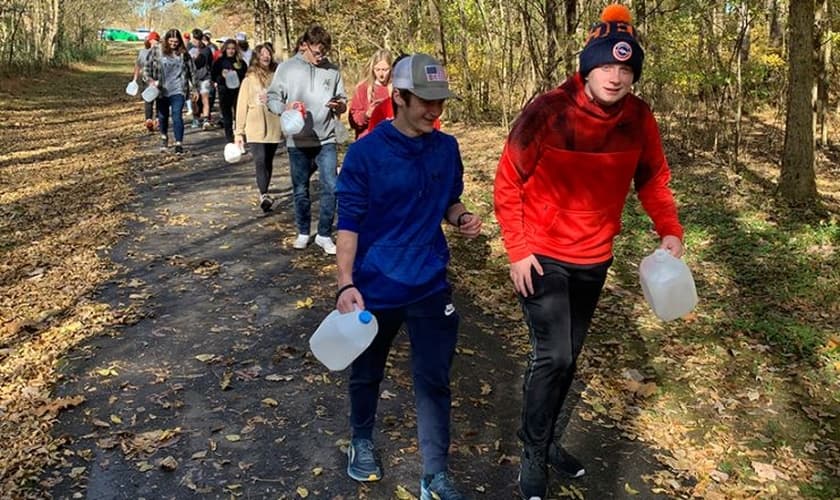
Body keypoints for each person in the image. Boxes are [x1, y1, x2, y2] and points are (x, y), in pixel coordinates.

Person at [493, 5, 686, 499]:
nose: (616, 77)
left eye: (626, 69)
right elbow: (507, 181)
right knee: (553, 356)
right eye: (607, 66)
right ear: (587, 66)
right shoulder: (548, 110)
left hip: (594, 258)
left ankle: (549, 438)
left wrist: (670, 229)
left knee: (569, 358)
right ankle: (533, 451)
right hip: (541, 254)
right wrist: (517, 250)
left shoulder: (639, 118)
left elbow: (654, 180)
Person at [335, 53, 481, 500]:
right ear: (398, 97)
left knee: (434, 378)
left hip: (430, 283)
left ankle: (434, 475)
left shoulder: (446, 148)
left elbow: (448, 201)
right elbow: (349, 224)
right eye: (425, 101)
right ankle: (361, 441)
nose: (435, 111)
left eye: (440, 102)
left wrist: (460, 218)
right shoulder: (365, 154)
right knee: (367, 371)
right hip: (375, 284)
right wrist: (345, 283)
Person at [266, 24, 347, 255]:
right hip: (298, 139)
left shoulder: (332, 71)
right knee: (300, 189)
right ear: (306, 46)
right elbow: (272, 98)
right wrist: (285, 107)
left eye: (324, 52)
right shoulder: (287, 68)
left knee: (331, 186)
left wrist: (339, 104)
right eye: (317, 52)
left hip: (326, 138)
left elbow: (342, 99)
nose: (321, 57)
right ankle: (303, 231)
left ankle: (323, 234)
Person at [234, 44, 281, 213]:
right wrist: (238, 132)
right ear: (257, 57)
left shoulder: (278, 76)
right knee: (260, 160)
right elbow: (241, 106)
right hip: (254, 126)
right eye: (262, 54)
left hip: (274, 124)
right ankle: (264, 194)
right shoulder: (249, 79)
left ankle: (265, 189)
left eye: (268, 53)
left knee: (268, 160)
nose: (266, 56)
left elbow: (286, 97)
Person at [145, 29, 198, 154]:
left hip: (179, 89)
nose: (173, 44)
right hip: (162, 89)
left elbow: (192, 71)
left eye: (176, 41)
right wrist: (150, 80)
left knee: (177, 115)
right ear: (166, 40)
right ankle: (164, 137)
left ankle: (179, 143)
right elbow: (146, 68)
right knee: (162, 116)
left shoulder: (183, 54)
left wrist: (195, 88)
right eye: (171, 41)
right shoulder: (157, 51)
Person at [348, 49, 392, 139]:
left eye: (385, 70)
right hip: (367, 141)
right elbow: (353, 121)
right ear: (372, 68)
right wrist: (367, 114)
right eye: (377, 69)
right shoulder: (362, 88)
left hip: (390, 142)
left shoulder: (396, 89)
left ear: (391, 68)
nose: (381, 74)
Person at [211, 38, 248, 143]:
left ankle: (239, 134)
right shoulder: (219, 61)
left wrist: (236, 74)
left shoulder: (240, 62)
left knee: (239, 113)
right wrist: (222, 76)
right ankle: (229, 137)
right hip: (224, 91)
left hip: (238, 91)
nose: (231, 51)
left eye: (233, 49)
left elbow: (245, 75)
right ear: (225, 49)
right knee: (227, 115)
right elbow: (214, 76)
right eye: (228, 49)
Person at [133, 31, 159, 132]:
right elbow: (138, 65)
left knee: (156, 100)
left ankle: (155, 119)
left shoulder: (162, 52)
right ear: (150, 40)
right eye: (154, 40)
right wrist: (135, 78)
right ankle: (150, 119)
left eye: (157, 40)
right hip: (148, 80)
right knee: (149, 99)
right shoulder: (143, 52)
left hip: (157, 80)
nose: (155, 42)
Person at [190, 28, 214, 130]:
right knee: (195, 100)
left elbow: (210, 63)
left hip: (205, 77)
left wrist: (212, 78)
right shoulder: (189, 48)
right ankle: (196, 118)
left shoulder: (206, 50)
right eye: (194, 40)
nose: (195, 42)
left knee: (205, 98)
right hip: (193, 78)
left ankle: (206, 120)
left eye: (198, 40)